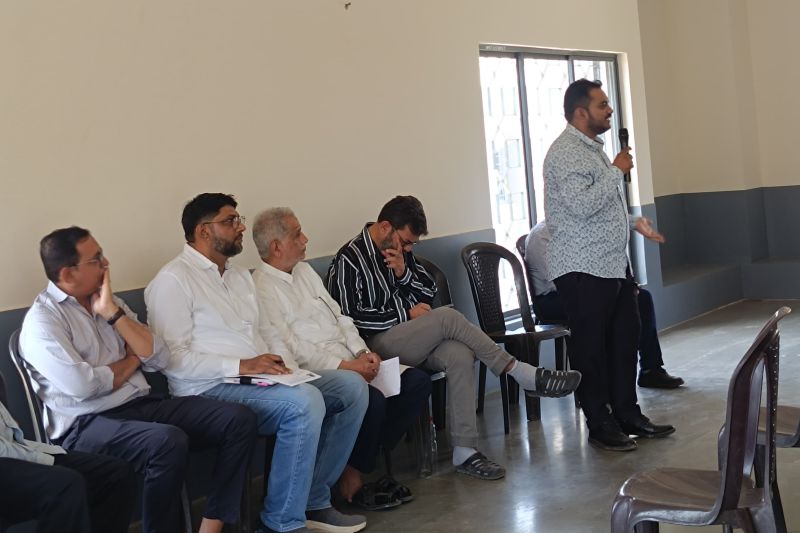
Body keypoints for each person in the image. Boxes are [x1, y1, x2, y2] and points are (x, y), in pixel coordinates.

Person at [145, 193, 369, 533]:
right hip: (207, 389)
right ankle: (281, 522)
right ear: (203, 231)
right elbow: (172, 360)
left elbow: (264, 334)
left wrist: (288, 368)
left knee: (350, 386)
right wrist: (241, 366)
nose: (240, 228)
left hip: (258, 378)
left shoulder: (237, 276)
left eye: (239, 219)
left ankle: (313, 499)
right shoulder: (173, 280)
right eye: (230, 221)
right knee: (303, 403)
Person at [20, 226, 257, 533]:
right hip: (86, 425)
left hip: (140, 405)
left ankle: (212, 525)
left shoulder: (111, 302)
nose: (106, 264)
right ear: (68, 274)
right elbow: (83, 387)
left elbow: (160, 358)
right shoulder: (43, 321)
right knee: (167, 441)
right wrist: (133, 359)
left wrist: (113, 314)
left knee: (238, 419)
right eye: (96, 259)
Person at [327, 195, 582, 480]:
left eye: (412, 245)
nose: (408, 248)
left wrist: (402, 273)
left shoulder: (398, 251)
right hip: (374, 346)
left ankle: (465, 451)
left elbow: (428, 290)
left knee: (459, 354)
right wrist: (405, 313)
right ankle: (519, 371)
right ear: (386, 227)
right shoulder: (349, 259)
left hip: (412, 337)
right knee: (447, 317)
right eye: (406, 241)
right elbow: (350, 318)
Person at [251, 207, 431, 511]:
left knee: (415, 382)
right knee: (372, 398)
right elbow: (290, 349)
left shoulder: (305, 272)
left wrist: (362, 353)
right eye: (297, 234)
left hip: (351, 359)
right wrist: (346, 367)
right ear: (276, 246)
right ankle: (350, 474)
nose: (306, 239)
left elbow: (340, 318)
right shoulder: (261, 288)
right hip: (319, 373)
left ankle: (353, 465)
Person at [543, 78, 675, 452]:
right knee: (592, 351)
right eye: (602, 105)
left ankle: (628, 415)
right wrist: (617, 170)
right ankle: (600, 424)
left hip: (612, 265)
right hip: (582, 269)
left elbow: (596, 207)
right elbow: (581, 205)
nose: (610, 110)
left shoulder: (592, 150)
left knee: (623, 342)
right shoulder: (565, 152)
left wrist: (633, 222)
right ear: (580, 112)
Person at [524, 220, 684, 389]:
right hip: (553, 298)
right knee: (607, 304)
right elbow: (561, 280)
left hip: (587, 289)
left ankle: (650, 370)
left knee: (641, 298)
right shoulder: (541, 237)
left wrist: (625, 284)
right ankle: (603, 381)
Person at [0, 371, 136, 533]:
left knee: (114, 473)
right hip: (9, 456)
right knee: (64, 485)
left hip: (16, 448)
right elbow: (83, 387)